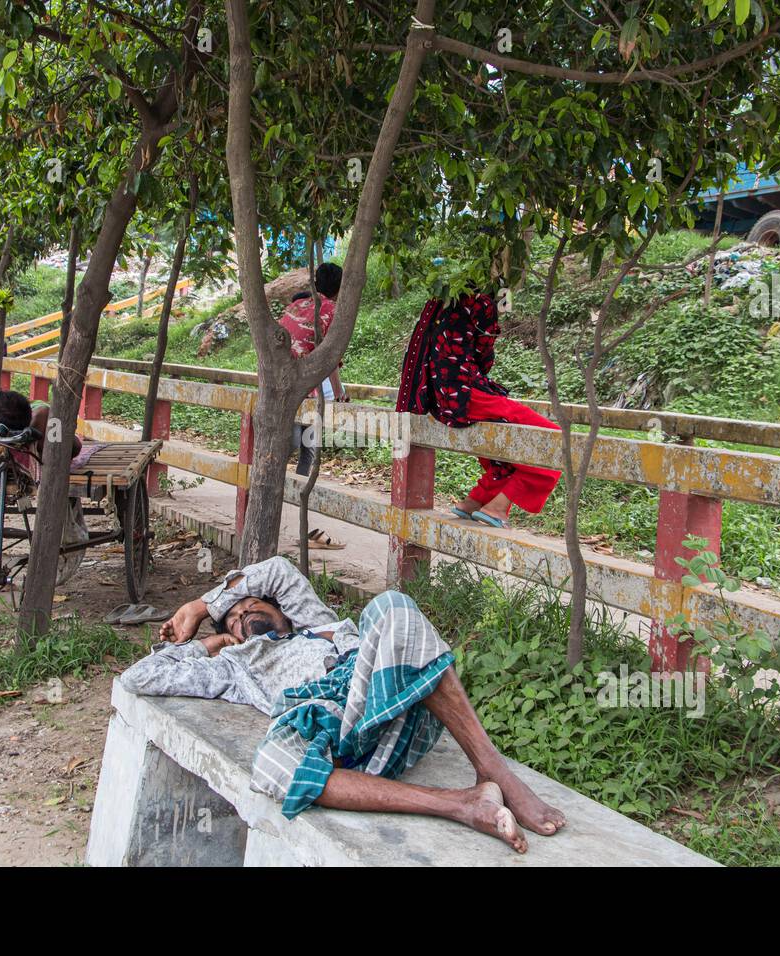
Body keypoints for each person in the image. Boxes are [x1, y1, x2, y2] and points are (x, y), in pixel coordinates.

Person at [120, 555, 566, 852]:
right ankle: (463, 804)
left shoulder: (318, 623)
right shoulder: (238, 665)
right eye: (233, 622)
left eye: (248, 605)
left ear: (281, 608)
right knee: (271, 766)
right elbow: (142, 676)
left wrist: (203, 604)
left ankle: (493, 769)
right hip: (346, 737)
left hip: (395, 701)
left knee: (394, 607)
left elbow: (276, 568)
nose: (240, 617)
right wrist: (212, 641)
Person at [396, 291, 561, 528]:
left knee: (510, 434)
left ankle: (475, 501)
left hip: (437, 396)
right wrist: (495, 310)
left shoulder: (441, 297)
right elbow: (484, 360)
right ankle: (497, 507)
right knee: (551, 439)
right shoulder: (482, 302)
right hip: (466, 395)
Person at [277, 262, 347, 549]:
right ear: (341, 287)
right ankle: (305, 525)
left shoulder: (296, 306)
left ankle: (305, 526)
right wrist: (340, 392)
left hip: (279, 384)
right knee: (304, 449)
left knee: (297, 450)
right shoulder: (330, 311)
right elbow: (328, 359)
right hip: (304, 389)